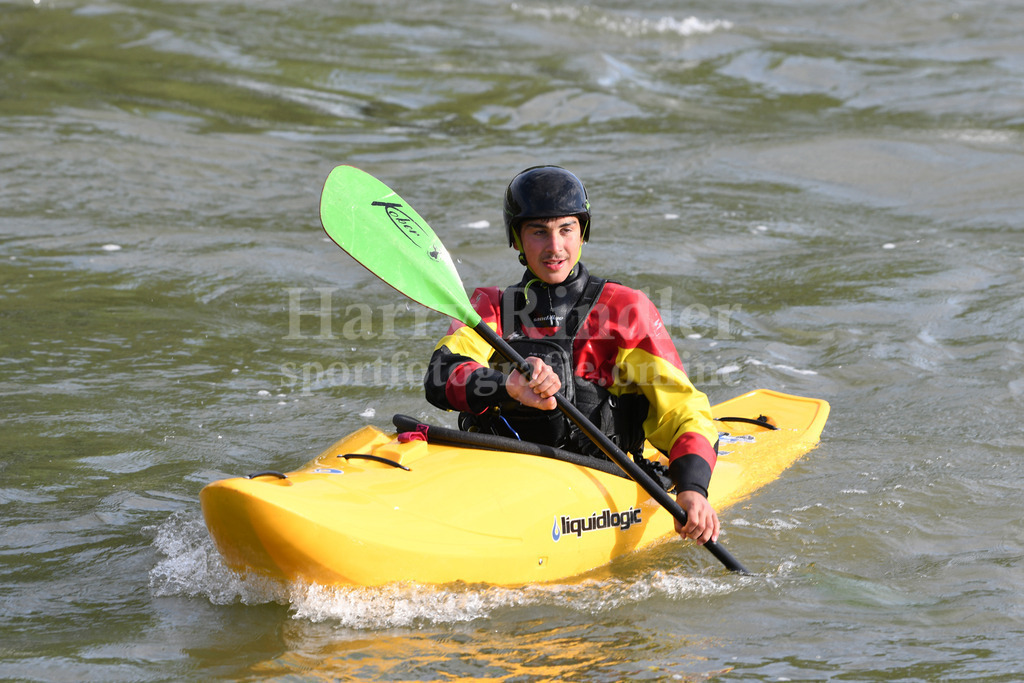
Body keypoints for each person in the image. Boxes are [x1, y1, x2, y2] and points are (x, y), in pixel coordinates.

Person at [423, 166, 721, 545]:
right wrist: (506, 386)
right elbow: (441, 375)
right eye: (538, 232)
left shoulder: (623, 309)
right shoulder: (491, 308)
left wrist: (693, 487)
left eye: (566, 229)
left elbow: (683, 409)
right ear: (516, 240)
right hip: (500, 471)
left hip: (597, 479)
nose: (555, 247)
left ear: (583, 234)